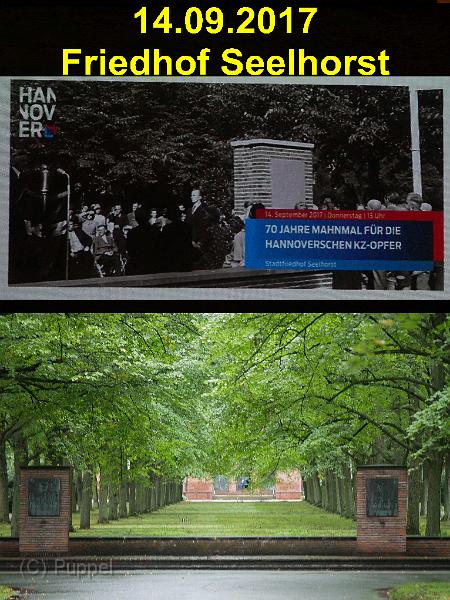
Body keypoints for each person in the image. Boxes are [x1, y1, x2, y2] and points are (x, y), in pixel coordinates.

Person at [126, 208, 161, 275]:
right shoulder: (155, 231)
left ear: (136, 218)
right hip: (152, 265)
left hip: (139, 266)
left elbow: (129, 249)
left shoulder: (132, 233)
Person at [159, 206, 192, 272]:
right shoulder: (188, 227)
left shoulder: (167, 228)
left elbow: (164, 245)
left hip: (172, 262)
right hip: (185, 262)